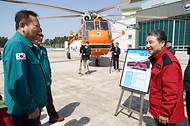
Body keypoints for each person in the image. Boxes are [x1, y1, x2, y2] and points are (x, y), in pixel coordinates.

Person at [2, 10, 48, 126]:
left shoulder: (27, 46)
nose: (39, 30)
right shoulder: (16, 45)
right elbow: (17, 82)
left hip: (31, 110)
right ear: (22, 25)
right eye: (36, 26)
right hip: (23, 112)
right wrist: (30, 107)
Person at [146, 29, 184, 126]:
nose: (147, 46)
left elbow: (171, 92)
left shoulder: (168, 63)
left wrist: (164, 113)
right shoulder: (158, 59)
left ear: (162, 43)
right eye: (146, 43)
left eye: (151, 42)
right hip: (157, 109)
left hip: (164, 115)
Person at [35, 28, 64, 124]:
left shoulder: (43, 49)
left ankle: (53, 116)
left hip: (46, 79)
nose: (40, 38)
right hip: (37, 81)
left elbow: (47, 63)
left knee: (49, 99)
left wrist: (50, 75)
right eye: (38, 36)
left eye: (42, 36)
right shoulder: (30, 49)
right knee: (37, 102)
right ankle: (36, 121)